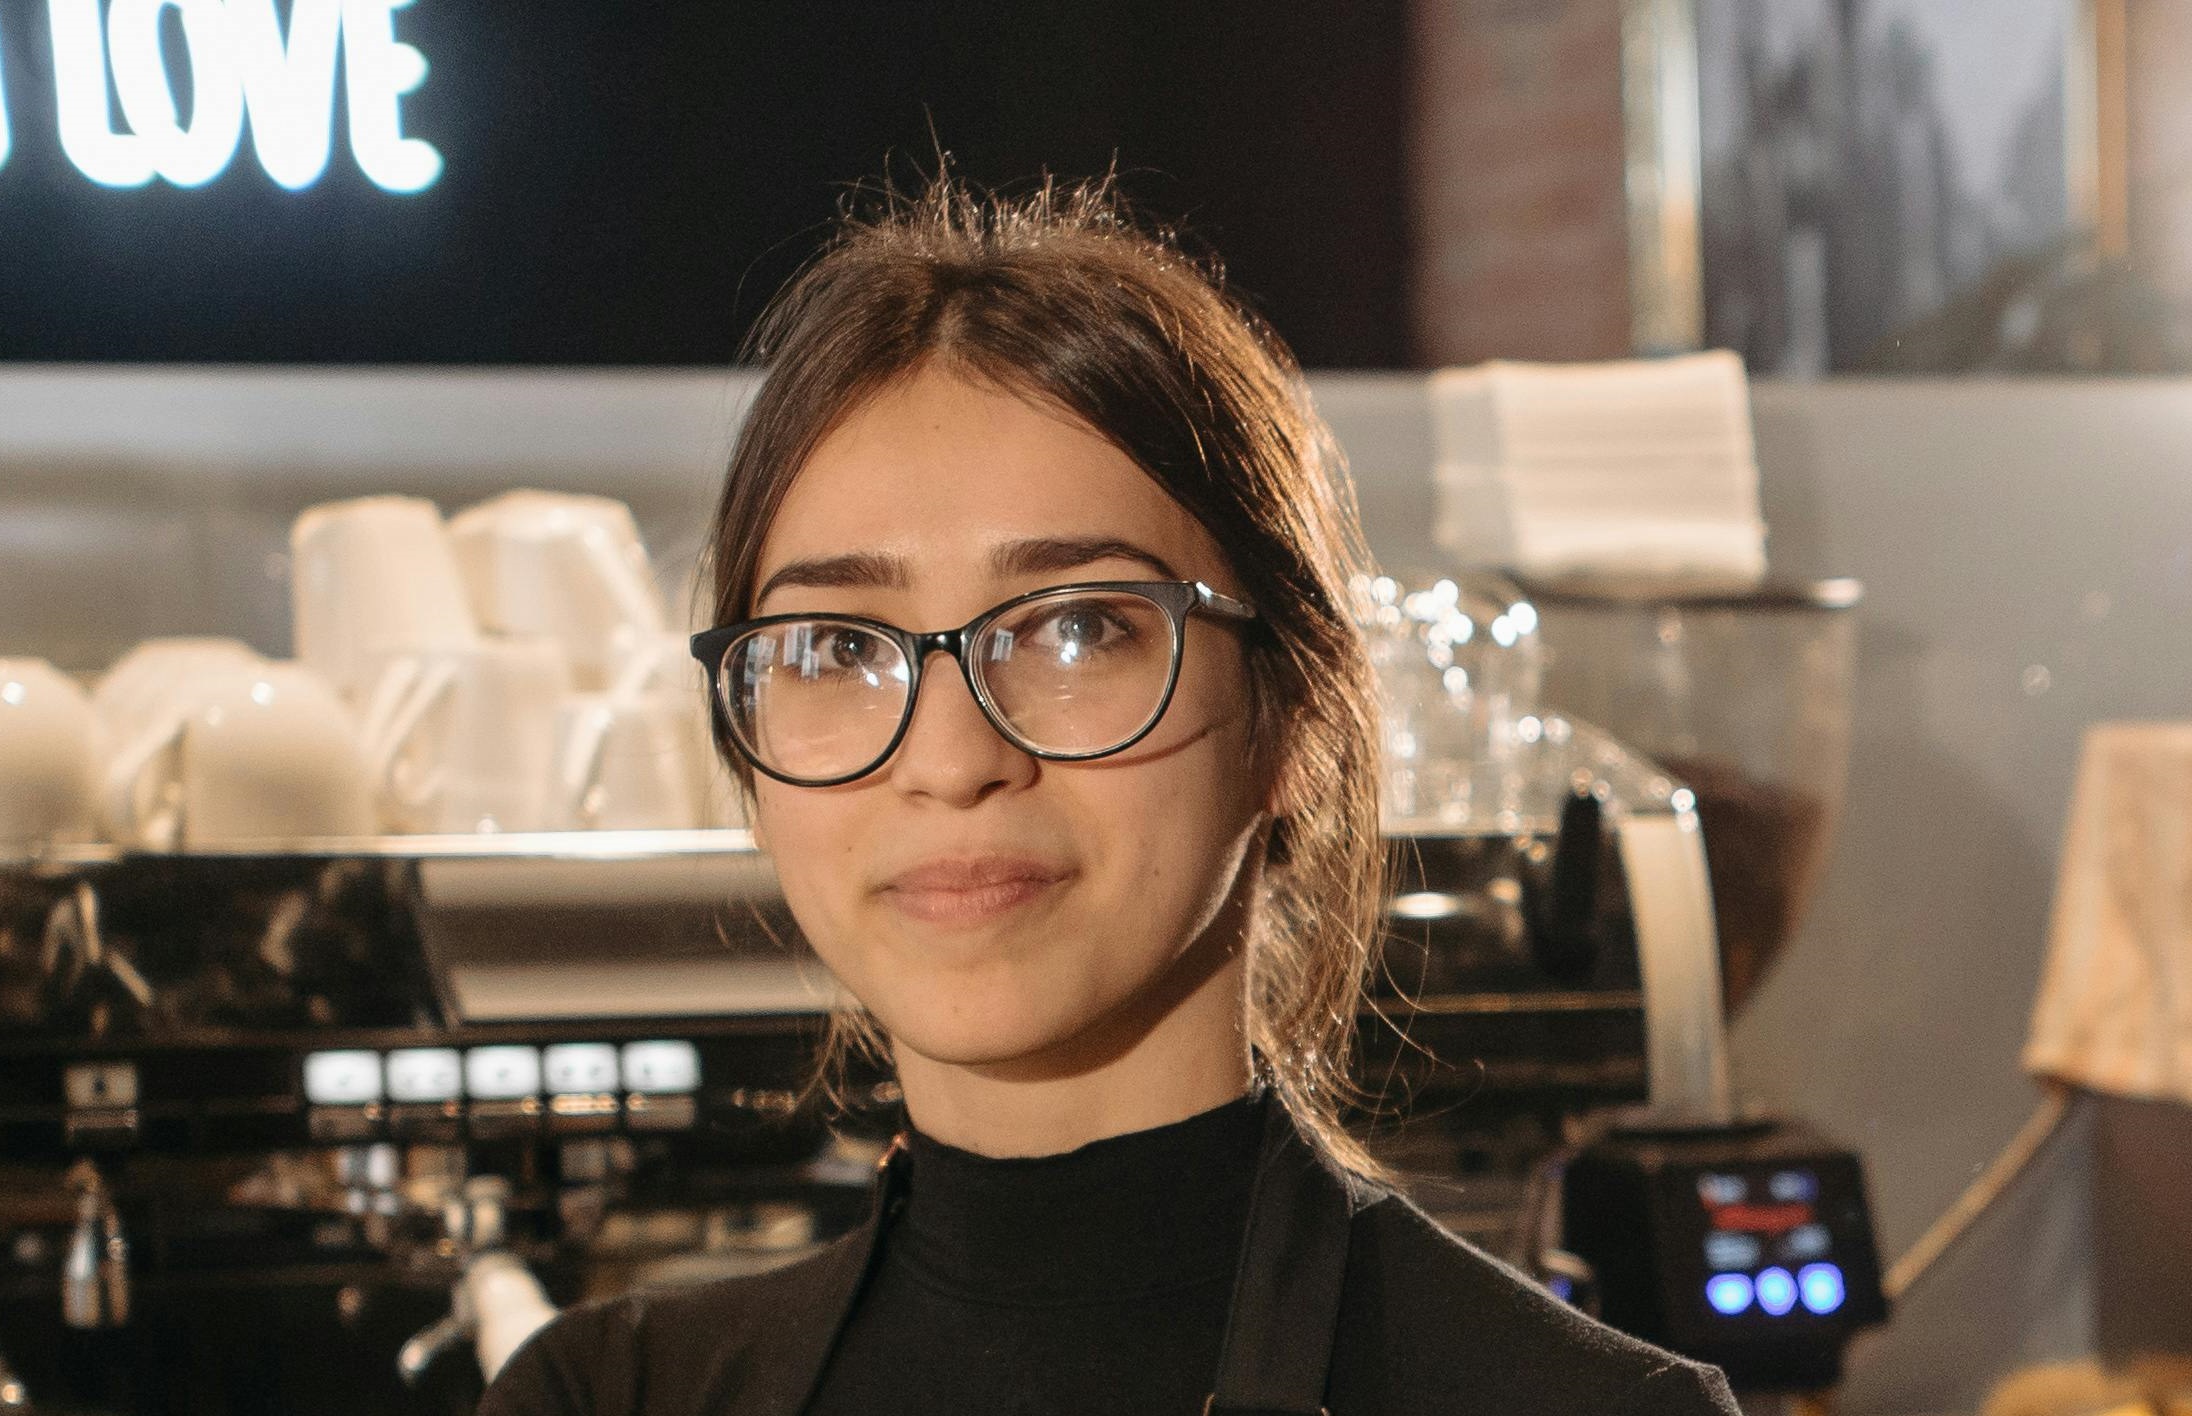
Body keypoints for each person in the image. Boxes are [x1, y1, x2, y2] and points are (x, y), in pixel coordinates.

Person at [480, 173, 1739, 1416]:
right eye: (837, 647)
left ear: (1293, 719)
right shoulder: (606, 1398)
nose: (949, 760)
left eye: (1078, 629)